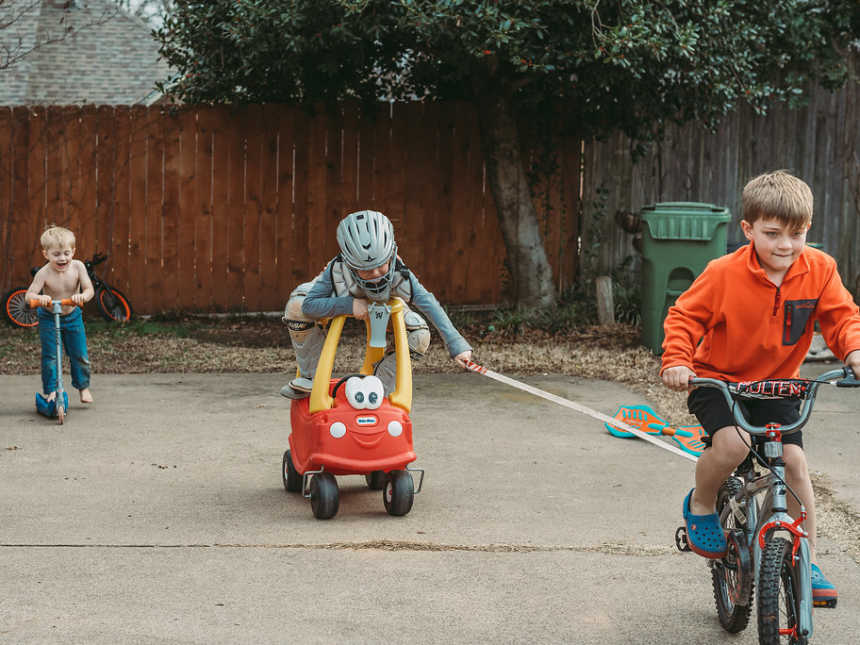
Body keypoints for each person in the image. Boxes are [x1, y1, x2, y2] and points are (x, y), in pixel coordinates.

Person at [661, 170, 860, 607]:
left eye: (797, 233)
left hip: (779, 385)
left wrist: (853, 352)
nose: (785, 245)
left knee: (794, 464)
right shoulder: (723, 273)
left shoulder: (820, 270)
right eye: (772, 234)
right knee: (733, 446)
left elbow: (843, 319)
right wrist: (677, 359)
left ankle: (805, 555)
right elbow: (684, 317)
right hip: (720, 380)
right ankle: (702, 500)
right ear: (748, 230)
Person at [281, 209, 472, 399]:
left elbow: (430, 304)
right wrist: (349, 305)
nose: (376, 276)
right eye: (366, 271)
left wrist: (457, 345)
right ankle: (310, 378)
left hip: (385, 302)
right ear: (349, 264)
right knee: (296, 307)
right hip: (339, 294)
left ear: (391, 253)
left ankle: (377, 388)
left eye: (382, 266)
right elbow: (309, 306)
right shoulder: (336, 270)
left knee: (419, 334)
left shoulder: (400, 274)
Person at [25, 225, 95, 404]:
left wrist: (82, 296)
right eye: (56, 254)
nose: (62, 258)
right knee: (51, 356)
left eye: (66, 253)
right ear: (46, 254)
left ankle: (83, 387)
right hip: (49, 317)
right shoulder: (44, 273)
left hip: (72, 316)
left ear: (73, 251)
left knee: (79, 354)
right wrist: (39, 298)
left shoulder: (78, 267)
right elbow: (29, 295)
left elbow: (89, 289)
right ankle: (51, 391)